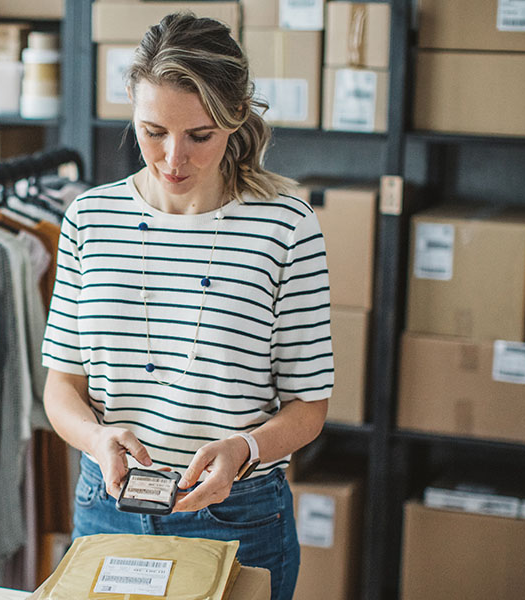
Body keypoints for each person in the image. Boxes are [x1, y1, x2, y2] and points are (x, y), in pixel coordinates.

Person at [41, 12, 333, 600]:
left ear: (236, 118)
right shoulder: (89, 220)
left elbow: (309, 407)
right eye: (153, 131)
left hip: (238, 518)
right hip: (109, 506)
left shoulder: (286, 226)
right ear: (131, 105)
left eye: (199, 135)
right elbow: (61, 387)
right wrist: (98, 441)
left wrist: (244, 449)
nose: (174, 158)